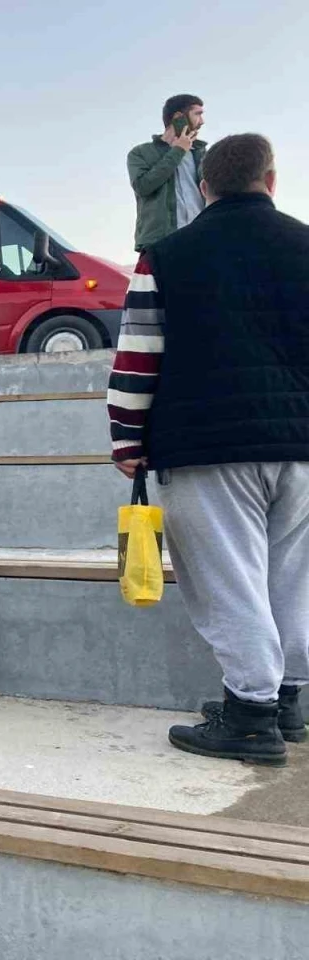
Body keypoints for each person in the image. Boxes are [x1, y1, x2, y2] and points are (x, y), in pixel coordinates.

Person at [107, 133, 309, 766]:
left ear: (202, 186)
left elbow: (138, 356)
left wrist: (127, 437)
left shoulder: (167, 254)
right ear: (270, 182)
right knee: (293, 579)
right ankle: (287, 702)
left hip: (206, 443)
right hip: (302, 443)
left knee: (231, 583)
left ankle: (250, 718)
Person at [128, 95, 207, 252]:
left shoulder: (202, 154)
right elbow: (143, 186)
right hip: (160, 244)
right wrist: (178, 150)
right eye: (197, 114)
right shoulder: (141, 153)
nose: (202, 121)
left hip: (200, 242)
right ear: (178, 117)